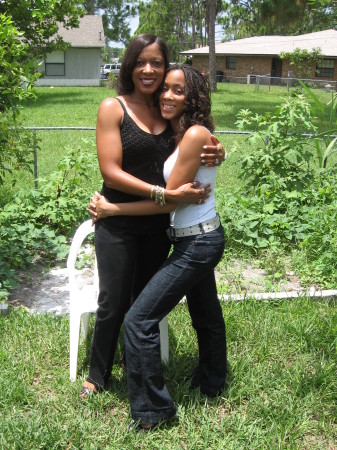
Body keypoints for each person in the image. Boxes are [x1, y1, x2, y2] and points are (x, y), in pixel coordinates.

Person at [80, 34, 224, 398]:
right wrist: (163, 194)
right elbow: (111, 172)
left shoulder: (167, 112)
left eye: (157, 63)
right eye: (141, 61)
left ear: (165, 69)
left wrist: (217, 149)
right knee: (112, 300)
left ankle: (134, 361)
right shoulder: (114, 107)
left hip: (158, 226)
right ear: (129, 64)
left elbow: (194, 139)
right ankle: (97, 373)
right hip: (118, 220)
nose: (149, 69)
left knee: (142, 298)